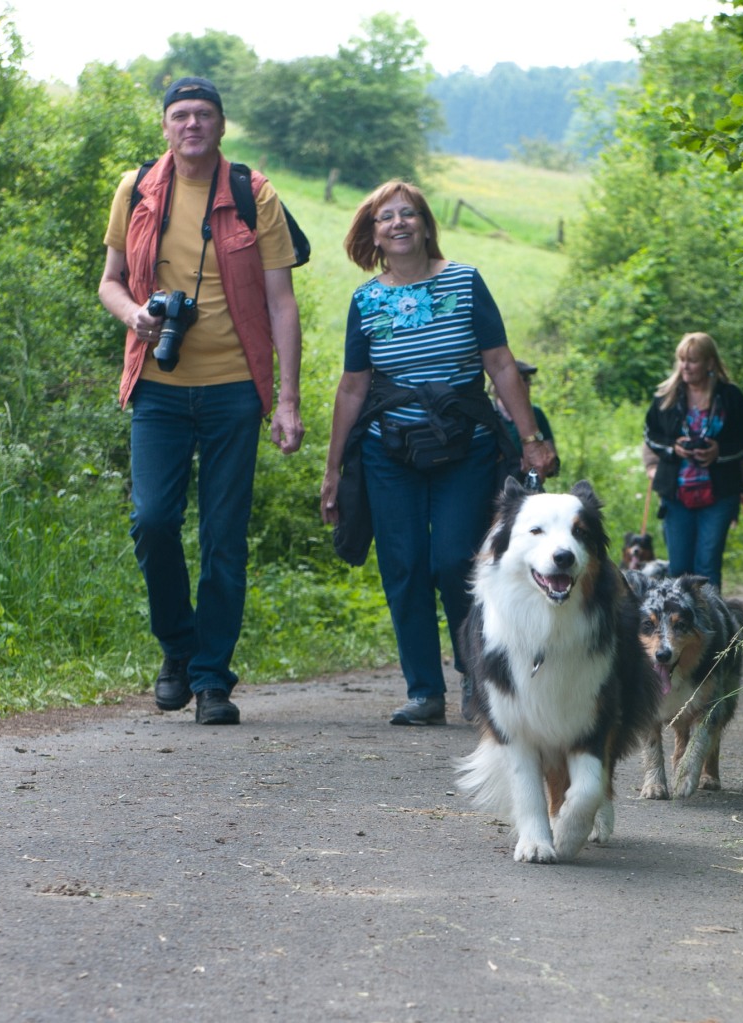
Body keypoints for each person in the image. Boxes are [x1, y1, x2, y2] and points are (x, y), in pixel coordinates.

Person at [97, 77, 304, 726]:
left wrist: (289, 399)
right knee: (152, 521)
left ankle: (213, 678)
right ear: (165, 126)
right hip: (158, 389)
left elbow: (281, 301)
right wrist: (135, 315)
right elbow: (108, 283)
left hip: (234, 392)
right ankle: (178, 649)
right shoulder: (135, 190)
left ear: (221, 125)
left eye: (204, 115)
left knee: (223, 538)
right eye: (180, 115)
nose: (192, 124)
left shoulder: (253, 194)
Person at [320, 181, 556, 727]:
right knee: (402, 566)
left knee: (455, 561)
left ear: (427, 225)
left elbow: (499, 363)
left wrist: (530, 440)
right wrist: (333, 469)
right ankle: (424, 690)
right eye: (386, 218)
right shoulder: (366, 300)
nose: (399, 223)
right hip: (389, 451)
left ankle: (477, 674)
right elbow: (353, 387)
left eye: (409, 215)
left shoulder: (466, 282)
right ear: (373, 233)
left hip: (464, 448)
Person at [642, 331, 743, 589]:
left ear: (709, 363)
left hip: (719, 494)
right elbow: (650, 434)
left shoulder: (730, 397)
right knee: (679, 566)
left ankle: (711, 626)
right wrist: (673, 448)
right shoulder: (666, 397)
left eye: (692, 360)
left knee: (707, 566)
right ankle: (681, 626)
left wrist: (719, 451)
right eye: (682, 360)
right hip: (676, 494)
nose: (685, 366)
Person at [492, 359, 558, 463]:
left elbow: (552, 460)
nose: (529, 384)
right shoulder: (488, 414)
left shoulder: (536, 414)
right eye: (525, 379)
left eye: (529, 379)